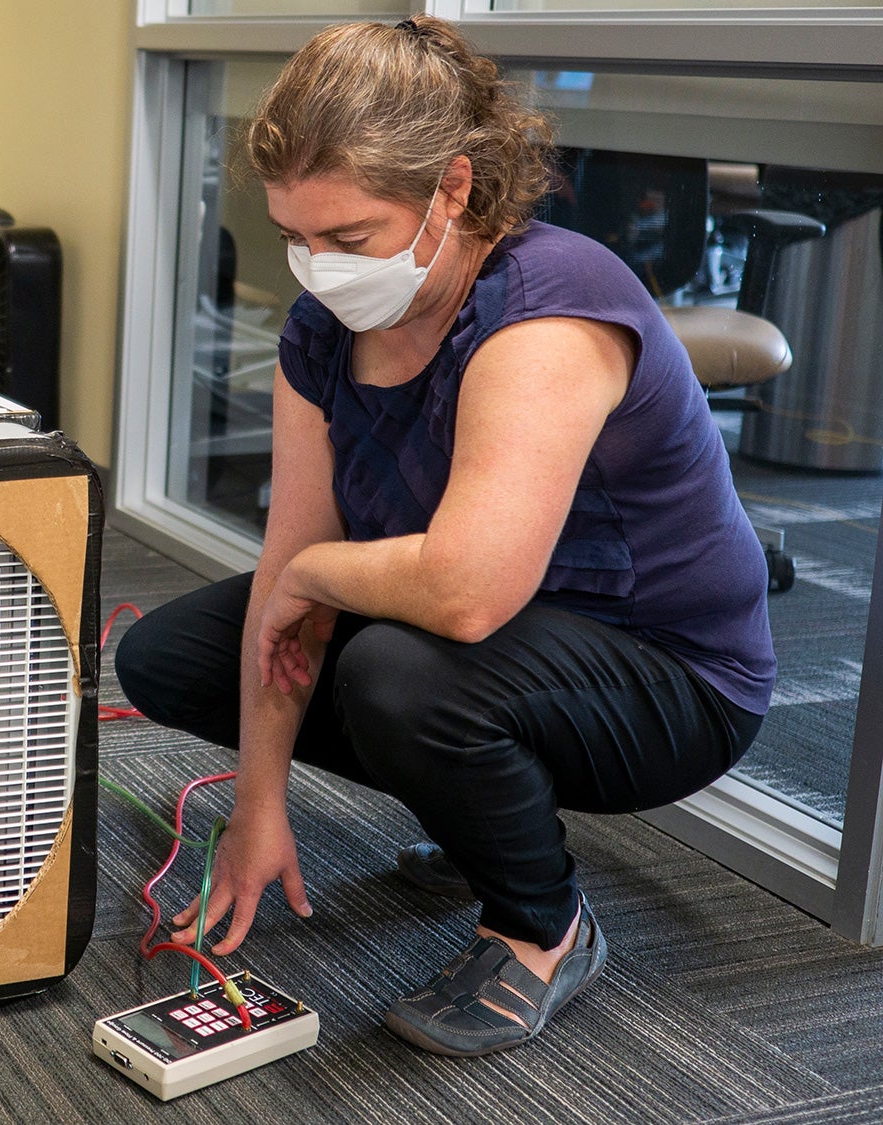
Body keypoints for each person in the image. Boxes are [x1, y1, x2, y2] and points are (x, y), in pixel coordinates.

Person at [113, 15, 773, 1058]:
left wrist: (317, 575)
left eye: (348, 239)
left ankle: (541, 927)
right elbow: (295, 573)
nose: (316, 269)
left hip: (669, 676)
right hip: (494, 634)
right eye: (294, 235)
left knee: (394, 672)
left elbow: (458, 593)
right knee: (170, 655)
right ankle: (476, 813)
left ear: (451, 190)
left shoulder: (551, 311)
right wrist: (257, 806)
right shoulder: (321, 335)